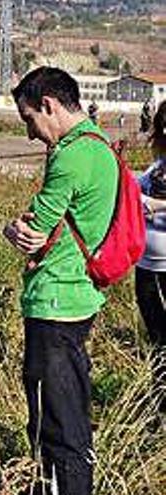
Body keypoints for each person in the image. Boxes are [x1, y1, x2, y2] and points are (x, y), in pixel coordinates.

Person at [2, 67, 119, 495]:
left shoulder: (70, 155)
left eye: (30, 119)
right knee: (63, 412)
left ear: (48, 105)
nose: (32, 134)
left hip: (55, 301)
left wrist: (11, 229)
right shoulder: (98, 146)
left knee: (57, 423)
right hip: (78, 296)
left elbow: (34, 231)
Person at [136, 100, 166, 403]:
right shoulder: (158, 167)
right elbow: (136, 188)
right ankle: (159, 407)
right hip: (147, 267)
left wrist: (155, 206)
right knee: (157, 340)